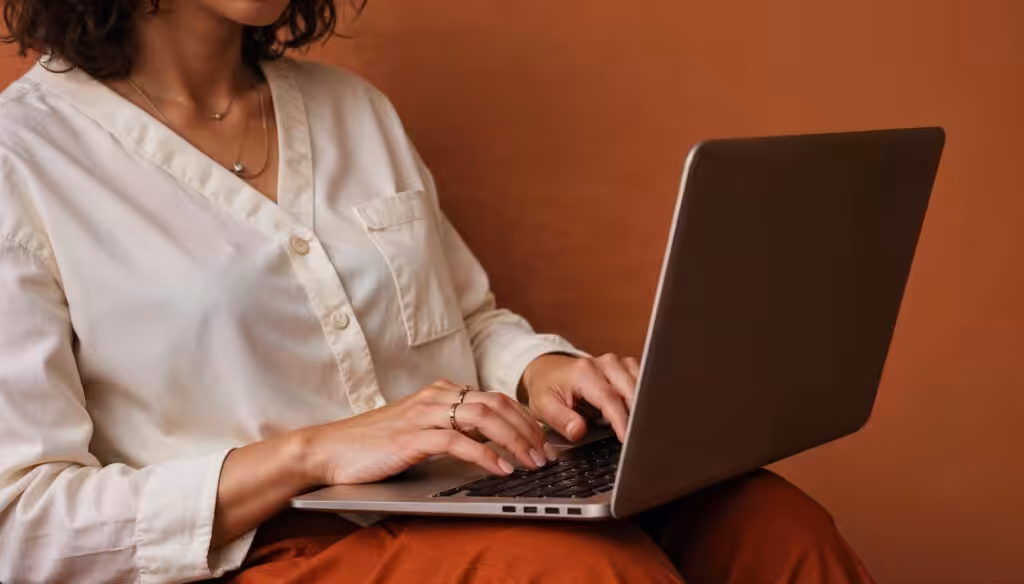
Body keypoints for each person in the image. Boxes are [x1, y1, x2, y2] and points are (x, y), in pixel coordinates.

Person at [0, 0, 877, 582]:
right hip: (259, 553)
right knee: (579, 575)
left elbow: (463, 319)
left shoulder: (352, 109)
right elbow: (21, 524)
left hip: (465, 488)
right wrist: (314, 454)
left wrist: (541, 371)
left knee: (777, 527)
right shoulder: (22, 163)